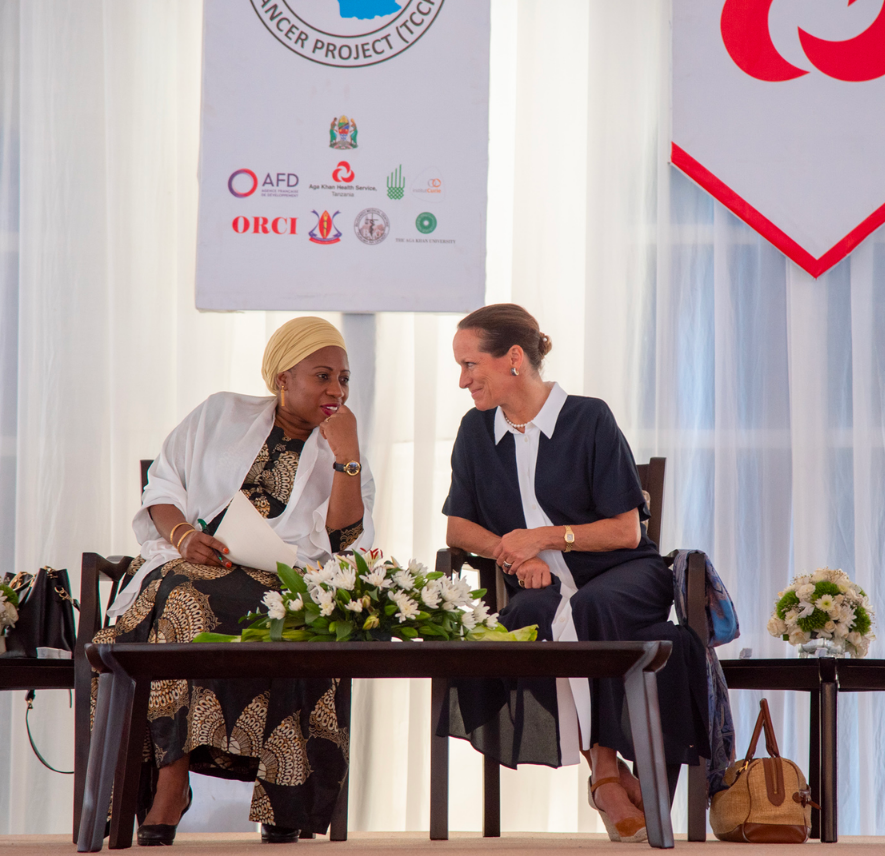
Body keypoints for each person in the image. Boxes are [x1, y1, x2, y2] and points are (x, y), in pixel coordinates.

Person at [95, 317, 375, 846]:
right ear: (283, 378)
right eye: (322, 376)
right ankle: (170, 780)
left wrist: (348, 458)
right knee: (179, 589)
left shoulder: (339, 448)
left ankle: (178, 788)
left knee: (181, 595)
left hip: (281, 585)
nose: (336, 390)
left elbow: (342, 541)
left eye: (344, 379)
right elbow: (162, 485)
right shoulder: (221, 413)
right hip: (190, 560)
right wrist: (181, 534)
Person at [441, 304, 707, 844]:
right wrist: (512, 554)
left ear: (514, 358)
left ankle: (605, 777)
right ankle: (609, 774)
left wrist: (541, 538)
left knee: (585, 608)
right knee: (530, 615)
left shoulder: (589, 418)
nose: (463, 380)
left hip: (623, 577)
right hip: (539, 583)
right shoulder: (475, 430)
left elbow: (627, 532)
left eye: (471, 365)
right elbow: (458, 530)